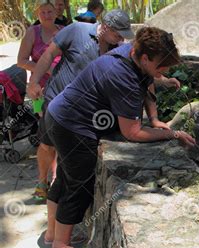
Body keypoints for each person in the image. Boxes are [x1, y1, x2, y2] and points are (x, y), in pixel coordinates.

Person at [44, 27, 196, 248]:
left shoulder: (133, 53)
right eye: (162, 66)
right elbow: (132, 132)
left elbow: (147, 82)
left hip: (60, 114)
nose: (164, 72)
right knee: (80, 184)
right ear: (145, 58)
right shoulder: (120, 73)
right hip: (72, 125)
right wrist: (172, 135)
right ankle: (60, 245)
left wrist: (155, 118)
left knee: (65, 174)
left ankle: (52, 233)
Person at [27, 9, 131, 204]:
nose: (120, 39)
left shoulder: (116, 48)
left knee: (68, 150)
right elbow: (49, 55)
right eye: (118, 34)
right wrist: (34, 82)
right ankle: (42, 182)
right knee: (47, 144)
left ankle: (59, 190)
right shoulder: (77, 30)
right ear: (105, 27)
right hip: (55, 100)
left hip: (83, 109)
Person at [17, 0, 63, 201]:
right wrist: (44, 68)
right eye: (43, 12)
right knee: (46, 137)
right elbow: (21, 61)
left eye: (50, 11)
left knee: (61, 135)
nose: (46, 14)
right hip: (38, 92)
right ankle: (42, 181)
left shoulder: (63, 31)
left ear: (56, 12)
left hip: (62, 90)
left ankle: (56, 178)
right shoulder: (32, 32)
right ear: (37, 13)